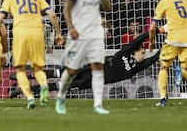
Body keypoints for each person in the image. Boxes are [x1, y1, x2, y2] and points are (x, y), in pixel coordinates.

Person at [9, 32, 160, 97]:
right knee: (59, 73)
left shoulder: (136, 68)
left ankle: (24, 89)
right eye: (142, 52)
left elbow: (151, 61)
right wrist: (154, 32)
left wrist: (164, 51)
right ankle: (24, 77)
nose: (144, 55)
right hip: (90, 67)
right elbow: (138, 40)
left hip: (93, 80)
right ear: (135, 51)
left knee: (62, 85)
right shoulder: (126, 52)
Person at [0, 0, 64, 109]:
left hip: (21, 34)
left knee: (20, 69)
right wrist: (58, 33)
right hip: (38, 33)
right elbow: (53, 15)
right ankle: (43, 85)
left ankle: (30, 98)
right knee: (38, 68)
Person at [55, 0, 111, 115]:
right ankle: (61, 96)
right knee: (72, 71)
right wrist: (70, 27)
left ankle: (98, 105)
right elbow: (66, 8)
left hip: (96, 34)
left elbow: (107, 7)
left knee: (98, 66)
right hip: (79, 34)